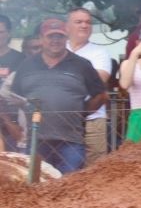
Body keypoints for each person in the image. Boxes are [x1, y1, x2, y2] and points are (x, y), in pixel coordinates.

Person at [6, 17, 108, 171]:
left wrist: (81, 112)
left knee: (70, 187)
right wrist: (14, 124)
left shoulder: (82, 65)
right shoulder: (27, 65)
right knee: (37, 188)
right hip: (36, 141)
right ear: (41, 38)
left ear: (66, 37)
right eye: (50, 36)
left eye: (60, 36)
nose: (55, 40)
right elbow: (13, 97)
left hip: (71, 141)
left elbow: (101, 96)